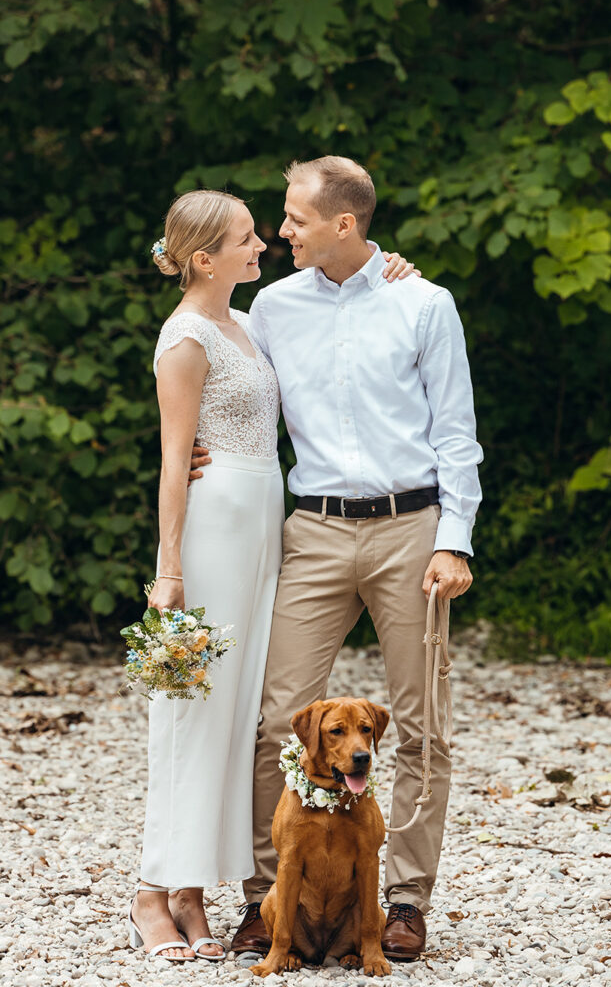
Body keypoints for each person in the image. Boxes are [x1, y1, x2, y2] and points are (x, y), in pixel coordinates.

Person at [128, 187, 415, 962]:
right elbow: (170, 457)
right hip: (215, 524)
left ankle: (196, 890)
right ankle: (153, 893)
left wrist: (386, 269)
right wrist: (169, 570)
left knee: (241, 712)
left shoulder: (250, 323)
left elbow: (338, 312)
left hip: (265, 523)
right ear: (203, 258)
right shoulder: (185, 338)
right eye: (247, 237)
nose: (264, 244)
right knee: (191, 709)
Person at [213, 156, 484, 963]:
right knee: (277, 722)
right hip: (316, 529)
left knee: (423, 724)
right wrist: (202, 453)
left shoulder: (423, 302)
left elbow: (455, 431)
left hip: (411, 527)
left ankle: (403, 899)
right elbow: (232, 382)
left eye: (293, 218)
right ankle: (271, 897)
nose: (279, 230)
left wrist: (454, 538)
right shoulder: (271, 306)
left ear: (344, 223)